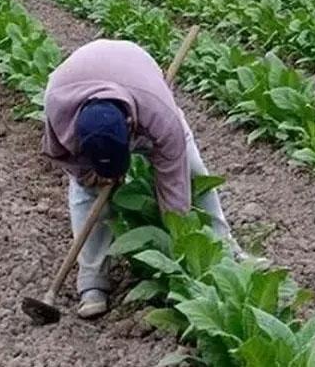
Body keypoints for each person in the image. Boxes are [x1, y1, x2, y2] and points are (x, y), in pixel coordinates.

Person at [42, 39, 243, 319]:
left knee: (193, 171)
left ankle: (225, 250)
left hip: (137, 76)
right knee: (85, 192)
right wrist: (89, 175)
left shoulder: (158, 112)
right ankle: (91, 282)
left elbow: (173, 182)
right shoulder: (57, 108)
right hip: (77, 84)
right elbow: (62, 156)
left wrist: (180, 240)